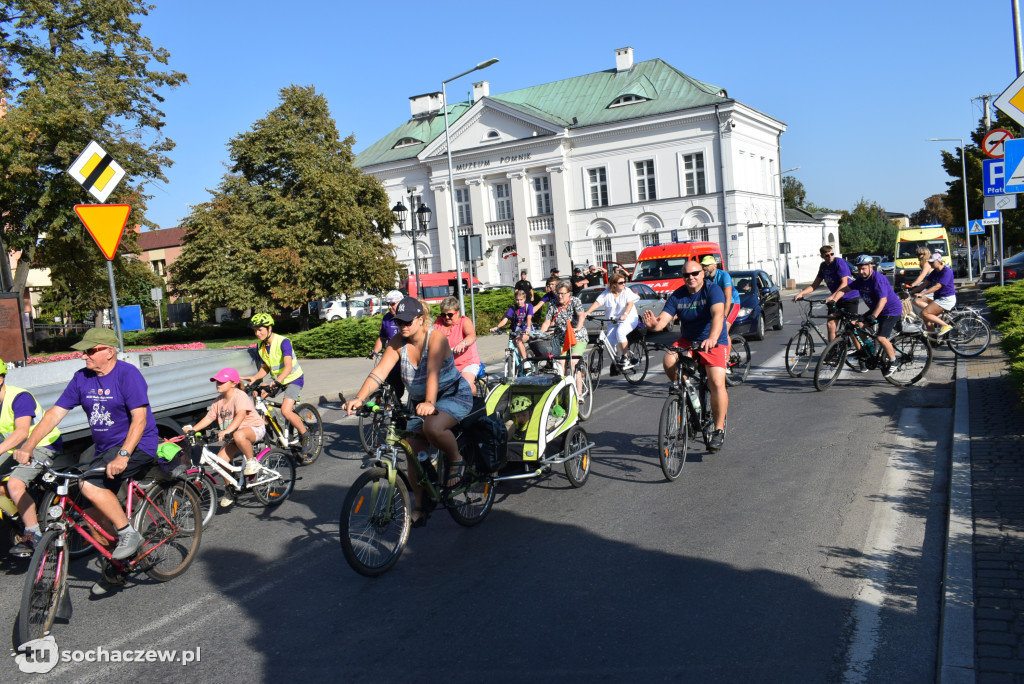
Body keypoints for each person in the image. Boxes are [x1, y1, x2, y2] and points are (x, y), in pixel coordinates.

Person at [14, 328, 159, 595]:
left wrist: (124, 455)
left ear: (109, 352)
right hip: (105, 448)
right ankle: (119, 565)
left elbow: (139, 420)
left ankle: (129, 533)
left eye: (91, 350)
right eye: (84, 350)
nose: (84, 356)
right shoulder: (81, 378)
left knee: (88, 485)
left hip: (137, 444)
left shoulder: (128, 375)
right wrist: (29, 445)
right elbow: (54, 415)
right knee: (91, 520)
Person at [343, 298, 473, 526]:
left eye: (407, 321)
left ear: (420, 319)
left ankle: (456, 459)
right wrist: (359, 398)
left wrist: (431, 402)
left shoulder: (436, 337)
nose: (402, 325)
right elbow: (379, 372)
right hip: (421, 402)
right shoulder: (397, 341)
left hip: (451, 395)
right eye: (398, 321)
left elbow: (432, 372)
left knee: (432, 426)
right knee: (412, 450)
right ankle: (421, 507)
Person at [642, 260, 728, 451]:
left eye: (695, 273)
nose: (691, 277)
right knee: (669, 359)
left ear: (702, 274)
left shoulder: (712, 290)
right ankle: (686, 394)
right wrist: (654, 326)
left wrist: (712, 338)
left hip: (712, 339)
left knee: (716, 382)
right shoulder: (678, 295)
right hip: (689, 340)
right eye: (686, 275)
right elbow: (663, 320)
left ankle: (718, 430)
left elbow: (718, 315)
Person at [0, 358, 63, 556]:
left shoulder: (19, 397)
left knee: (15, 484)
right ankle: (21, 515)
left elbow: (21, 432)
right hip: (16, 449)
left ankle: (33, 535)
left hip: (43, 444)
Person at [182, 368, 266, 508]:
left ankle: (252, 461)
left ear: (233, 383)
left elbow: (240, 415)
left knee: (239, 435)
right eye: (216, 382)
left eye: (222, 382)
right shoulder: (218, 401)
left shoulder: (240, 396)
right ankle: (230, 489)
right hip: (233, 435)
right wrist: (193, 430)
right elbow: (209, 417)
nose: (218, 384)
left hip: (253, 429)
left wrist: (227, 430)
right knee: (220, 462)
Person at [241, 313, 309, 450]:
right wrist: (255, 378)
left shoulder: (283, 342)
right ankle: (269, 424)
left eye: (260, 329)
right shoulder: (261, 346)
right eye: (255, 330)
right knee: (258, 394)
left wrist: (277, 381)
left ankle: (305, 434)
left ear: (269, 328)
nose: (257, 333)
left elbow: (288, 366)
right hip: (277, 380)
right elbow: (265, 367)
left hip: (294, 378)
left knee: (286, 410)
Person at [826, 255, 902, 377]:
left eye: (864, 268)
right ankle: (866, 351)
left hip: (890, 311)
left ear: (870, 267)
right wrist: (834, 300)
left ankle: (894, 361)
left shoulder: (878, 279)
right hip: (876, 309)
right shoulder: (861, 280)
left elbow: (883, 300)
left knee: (881, 338)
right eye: (859, 269)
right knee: (853, 325)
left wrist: (873, 316)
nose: (861, 271)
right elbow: (844, 289)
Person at [795, 246, 861, 342]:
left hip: (849, 297)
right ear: (822, 256)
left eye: (832, 254)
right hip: (835, 299)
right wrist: (801, 293)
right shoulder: (823, 266)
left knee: (852, 327)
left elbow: (844, 283)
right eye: (827, 255)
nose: (830, 257)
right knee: (830, 324)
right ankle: (832, 352)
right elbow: (815, 285)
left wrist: (832, 297)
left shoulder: (839, 263)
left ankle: (861, 352)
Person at [582, 272, 639, 369]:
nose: (624, 284)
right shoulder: (607, 293)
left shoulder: (627, 291)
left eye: (624, 281)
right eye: (621, 282)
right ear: (614, 284)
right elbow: (597, 303)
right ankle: (618, 359)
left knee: (620, 332)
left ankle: (626, 357)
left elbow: (630, 304)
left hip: (628, 319)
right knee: (610, 342)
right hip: (613, 321)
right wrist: (587, 313)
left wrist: (625, 314)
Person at [434, 296, 483, 395]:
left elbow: (472, 336)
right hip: (448, 364)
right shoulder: (438, 323)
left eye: (450, 314)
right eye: (443, 315)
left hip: (467, 362)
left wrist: (463, 343)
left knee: (465, 387)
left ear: (458, 312)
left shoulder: (464, 322)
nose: (446, 317)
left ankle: (472, 405)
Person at [539, 280, 588, 378]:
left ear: (569, 293)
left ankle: (578, 392)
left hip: (576, 337)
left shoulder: (575, 301)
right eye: (558, 293)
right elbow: (547, 321)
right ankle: (564, 388)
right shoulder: (553, 303)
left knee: (573, 363)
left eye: (563, 293)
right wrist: (540, 334)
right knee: (559, 364)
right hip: (560, 338)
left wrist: (578, 327)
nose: (560, 296)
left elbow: (581, 315)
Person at [369, 290, 406, 401]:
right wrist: (375, 351)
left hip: (406, 361)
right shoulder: (386, 318)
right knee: (392, 390)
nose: (390, 307)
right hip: (392, 361)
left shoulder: (407, 317)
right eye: (388, 304)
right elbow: (382, 338)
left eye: (393, 304)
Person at [911, 252, 956, 336]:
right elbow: (925, 284)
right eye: (929, 262)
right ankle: (933, 338)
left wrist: (923, 293)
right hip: (939, 298)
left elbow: (937, 286)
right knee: (925, 317)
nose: (930, 263)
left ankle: (945, 326)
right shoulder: (935, 272)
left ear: (939, 261)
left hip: (946, 299)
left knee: (924, 313)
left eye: (932, 262)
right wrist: (911, 291)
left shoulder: (946, 272)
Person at [490, 288, 534, 365]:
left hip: (527, 331)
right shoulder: (513, 308)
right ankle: (515, 364)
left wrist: (528, 327)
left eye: (521, 299)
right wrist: (497, 327)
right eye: (517, 300)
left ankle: (525, 361)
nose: (519, 302)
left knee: (518, 341)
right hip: (516, 332)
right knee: (513, 344)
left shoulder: (528, 306)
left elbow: (529, 317)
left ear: (524, 299)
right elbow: (505, 319)